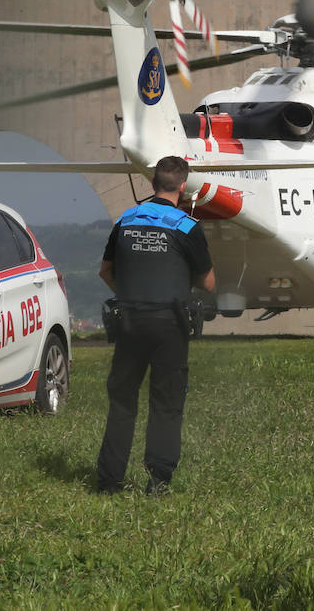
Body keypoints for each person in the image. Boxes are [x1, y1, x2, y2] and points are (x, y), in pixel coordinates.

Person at [96, 156, 215, 495]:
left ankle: (108, 481)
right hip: (169, 325)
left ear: (151, 185)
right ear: (182, 186)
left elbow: (105, 271)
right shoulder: (187, 227)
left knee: (122, 402)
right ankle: (158, 480)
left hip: (129, 322)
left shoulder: (125, 221)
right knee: (166, 403)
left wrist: (131, 294)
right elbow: (208, 283)